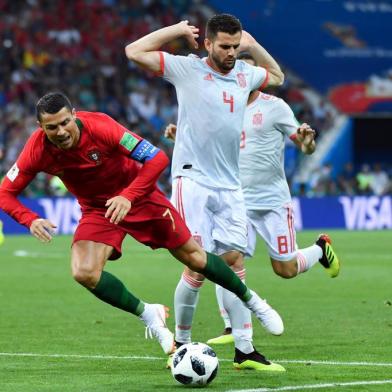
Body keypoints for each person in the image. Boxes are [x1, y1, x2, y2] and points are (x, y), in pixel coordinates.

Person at [0, 92, 286, 357]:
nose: (61, 132)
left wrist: (128, 196)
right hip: (99, 210)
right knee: (84, 272)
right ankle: (148, 313)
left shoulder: (101, 127)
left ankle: (253, 301)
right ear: (40, 126)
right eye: (52, 127)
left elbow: (156, 157)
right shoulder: (37, 149)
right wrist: (30, 219)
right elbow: (5, 193)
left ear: (74, 114)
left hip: (139, 196)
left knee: (196, 258)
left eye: (65, 122)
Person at [125, 14, 285, 371]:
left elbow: (277, 77)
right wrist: (177, 32)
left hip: (230, 184)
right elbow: (134, 51)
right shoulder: (187, 69)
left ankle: (245, 351)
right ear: (208, 43)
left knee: (232, 261)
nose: (230, 53)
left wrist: (254, 46)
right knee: (195, 265)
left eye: (235, 46)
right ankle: (180, 344)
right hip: (192, 180)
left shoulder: (245, 74)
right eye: (224, 46)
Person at [165, 52, 340, 347]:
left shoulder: (275, 108)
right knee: (227, 258)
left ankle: (320, 250)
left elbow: (304, 146)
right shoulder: (218, 102)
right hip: (234, 197)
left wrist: (308, 143)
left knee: (284, 269)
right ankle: (234, 329)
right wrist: (179, 136)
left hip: (272, 200)